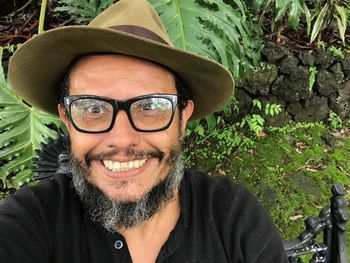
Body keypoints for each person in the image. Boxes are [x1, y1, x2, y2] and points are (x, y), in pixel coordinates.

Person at [1, 0, 288, 262]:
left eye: (150, 106)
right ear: (67, 118)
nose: (122, 139)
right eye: (92, 109)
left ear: (182, 117)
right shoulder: (31, 220)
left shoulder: (236, 221)